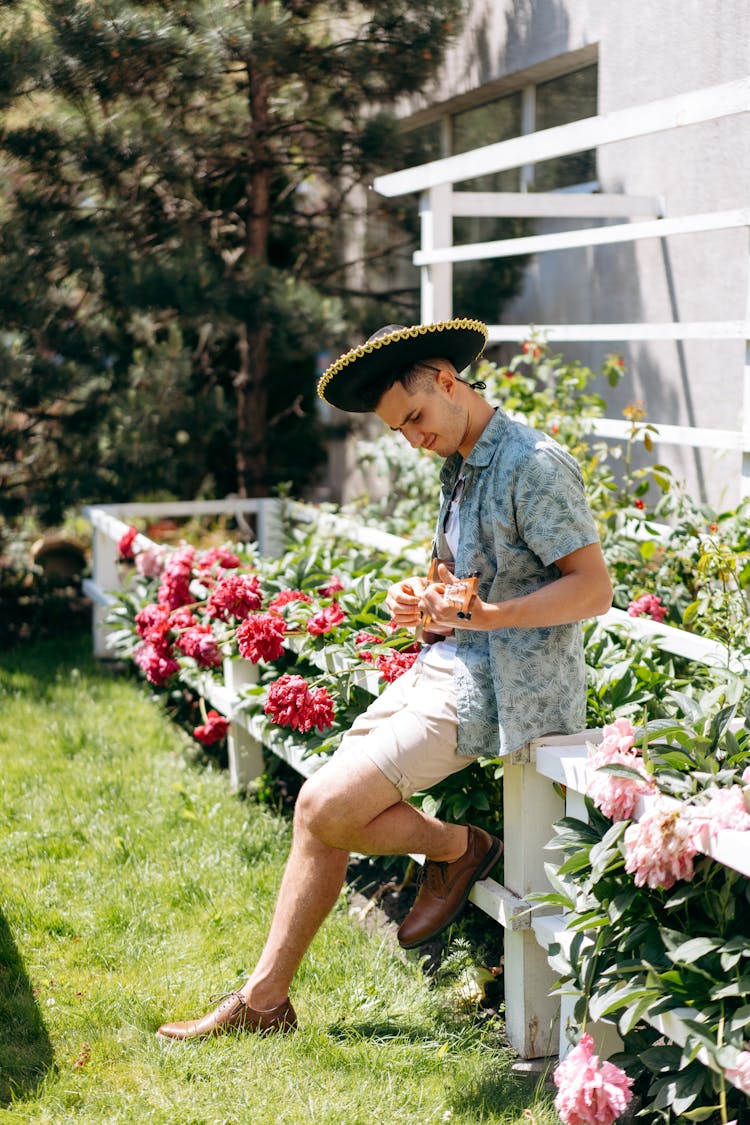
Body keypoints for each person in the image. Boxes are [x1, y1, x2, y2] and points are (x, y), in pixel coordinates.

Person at [156, 317, 613, 1041]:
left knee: (327, 805)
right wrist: (422, 599)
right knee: (318, 810)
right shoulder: (462, 460)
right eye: (398, 430)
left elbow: (593, 588)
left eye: (416, 418)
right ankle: (265, 1001)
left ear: (447, 381)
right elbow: (460, 582)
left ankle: (460, 848)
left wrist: (488, 617)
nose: (412, 438)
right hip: (451, 666)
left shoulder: (534, 462)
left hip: (506, 688)